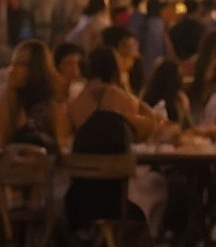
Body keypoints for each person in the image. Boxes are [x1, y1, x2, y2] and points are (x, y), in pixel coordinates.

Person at [65, 45, 160, 231]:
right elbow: (148, 128)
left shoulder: (75, 103)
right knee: (160, 184)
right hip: (118, 194)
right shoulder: (125, 100)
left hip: (81, 194)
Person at [0, 39, 69, 153]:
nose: (12, 69)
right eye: (12, 63)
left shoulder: (47, 107)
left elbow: (52, 148)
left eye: (21, 64)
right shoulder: (16, 99)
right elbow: (1, 143)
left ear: (36, 68)